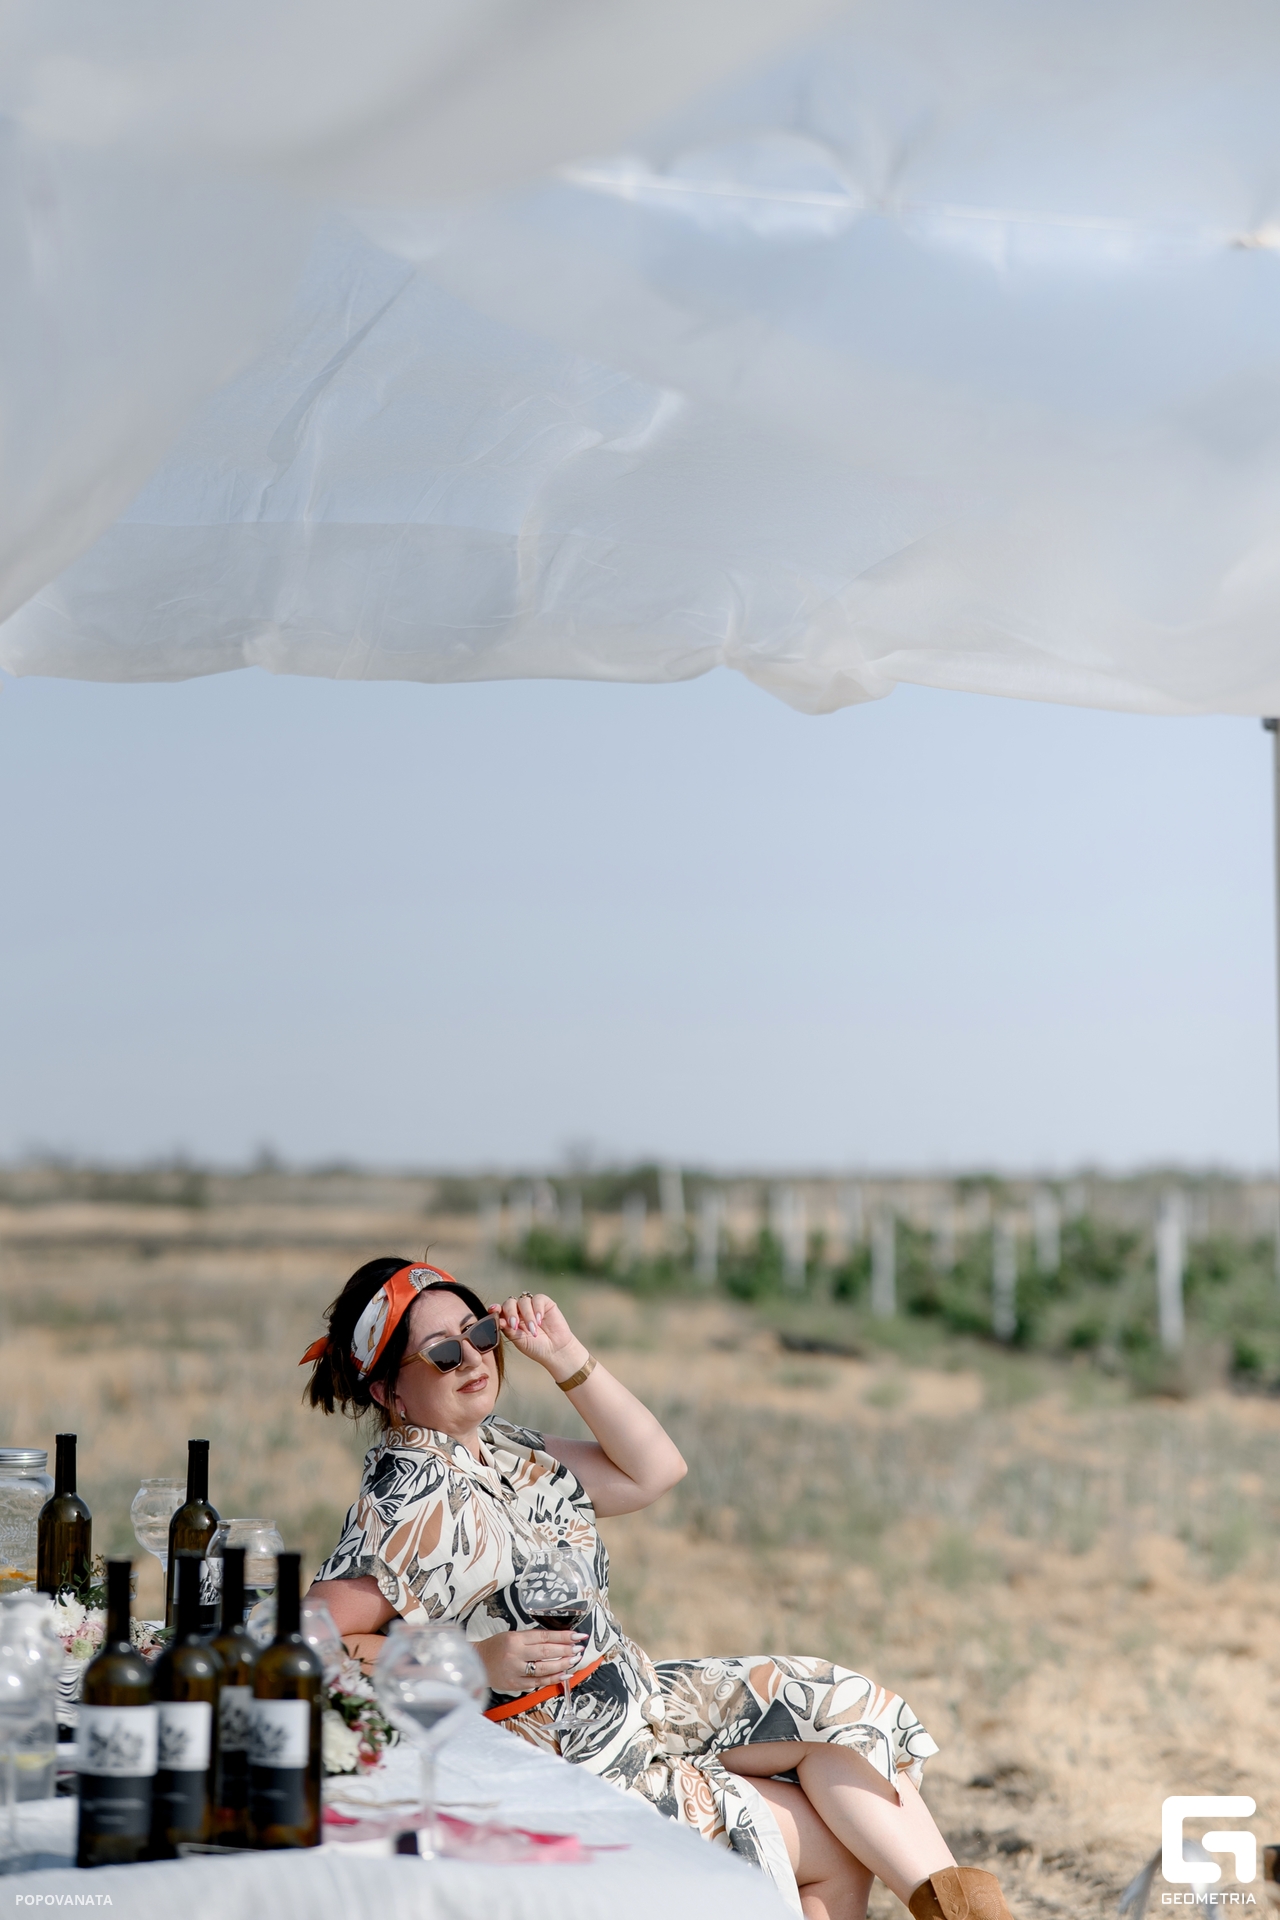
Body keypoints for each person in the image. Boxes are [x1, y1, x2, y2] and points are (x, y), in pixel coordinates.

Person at [303, 1256, 1018, 1920]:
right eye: (443, 1353)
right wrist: (471, 1663)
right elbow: (311, 1645)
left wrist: (564, 1354)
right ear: (388, 1391)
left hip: (638, 1697)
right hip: (569, 1755)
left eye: (481, 1333)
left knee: (846, 1716)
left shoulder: (506, 1449)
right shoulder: (407, 1496)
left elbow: (654, 1470)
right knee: (835, 1846)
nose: (474, 1358)